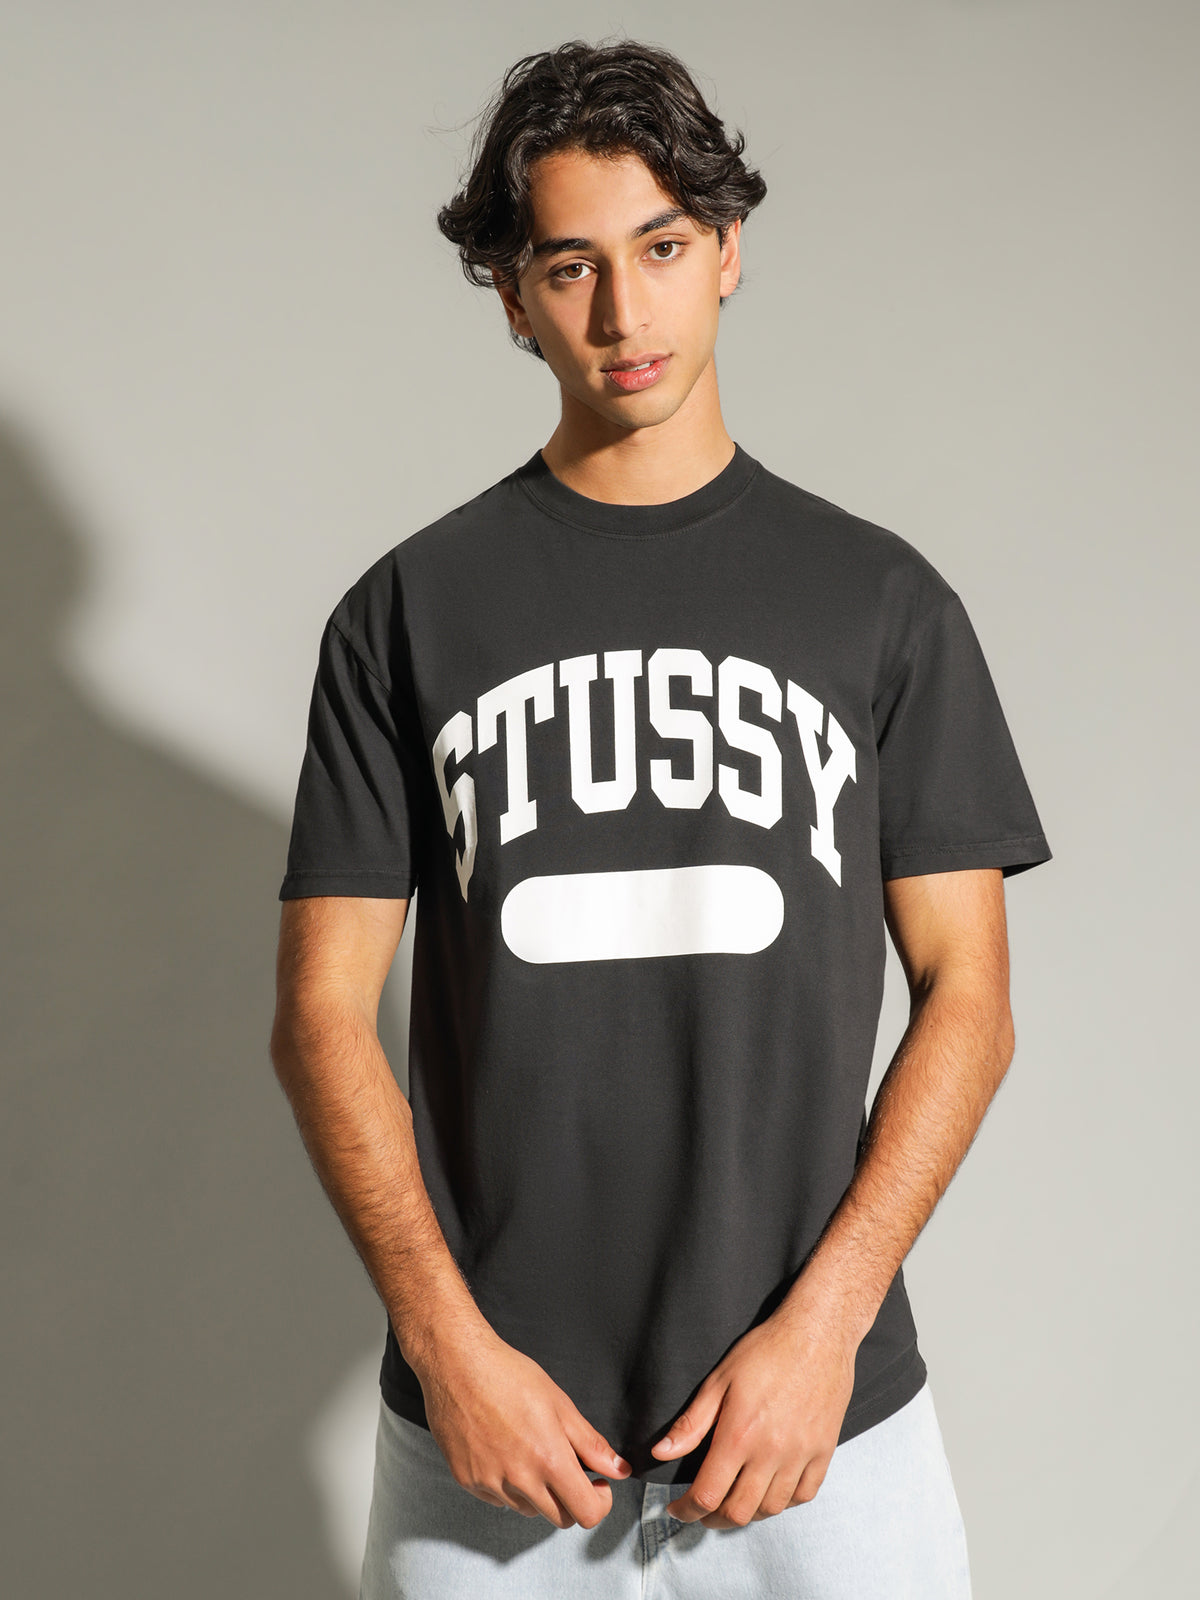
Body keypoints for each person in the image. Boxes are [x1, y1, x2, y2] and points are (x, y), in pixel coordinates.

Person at [269, 36, 1051, 1600]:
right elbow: (320, 1018)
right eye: (571, 267)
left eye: (664, 249)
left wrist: (824, 1333)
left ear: (729, 251)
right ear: (512, 298)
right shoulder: (406, 614)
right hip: (495, 1442)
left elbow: (970, 997)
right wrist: (447, 1345)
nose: (624, 314)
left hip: (819, 1429)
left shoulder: (882, 602)